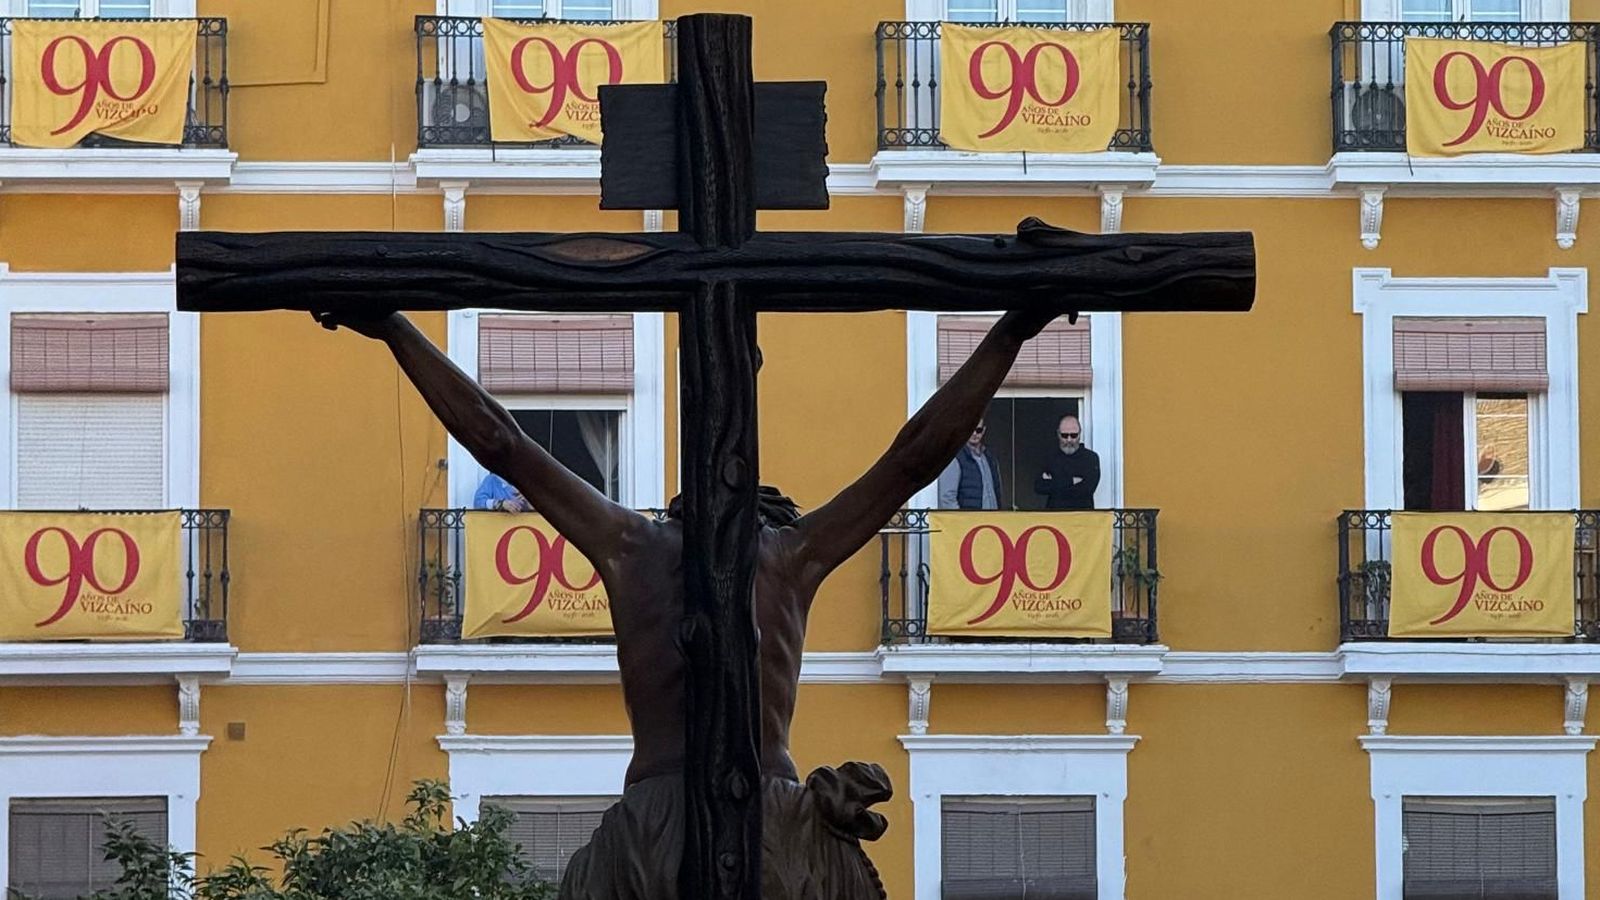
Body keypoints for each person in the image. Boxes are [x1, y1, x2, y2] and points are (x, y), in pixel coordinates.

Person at [314, 305, 1067, 900]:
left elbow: (499, 440)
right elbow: (912, 459)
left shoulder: (635, 550)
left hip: (650, 826)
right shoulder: (791, 556)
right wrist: (1011, 329)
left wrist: (392, 326)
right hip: (771, 821)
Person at [1035, 414, 1100, 510]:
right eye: (1064, 435)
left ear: (1079, 434)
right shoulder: (1050, 458)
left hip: (1083, 519)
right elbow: (1039, 487)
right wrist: (1071, 481)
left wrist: (1054, 483)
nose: (1069, 440)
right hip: (1054, 519)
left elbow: (1087, 489)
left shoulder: (1090, 458)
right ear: (1058, 434)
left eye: (1074, 435)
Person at [936, 419, 1002, 510]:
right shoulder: (955, 458)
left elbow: (996, 493)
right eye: (970, 429)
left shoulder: (990, 458)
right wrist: (961, 522)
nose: (974, 433)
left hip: (991, 521)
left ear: (984, 430)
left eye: (978, 430)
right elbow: (947, 498)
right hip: (969, 522)